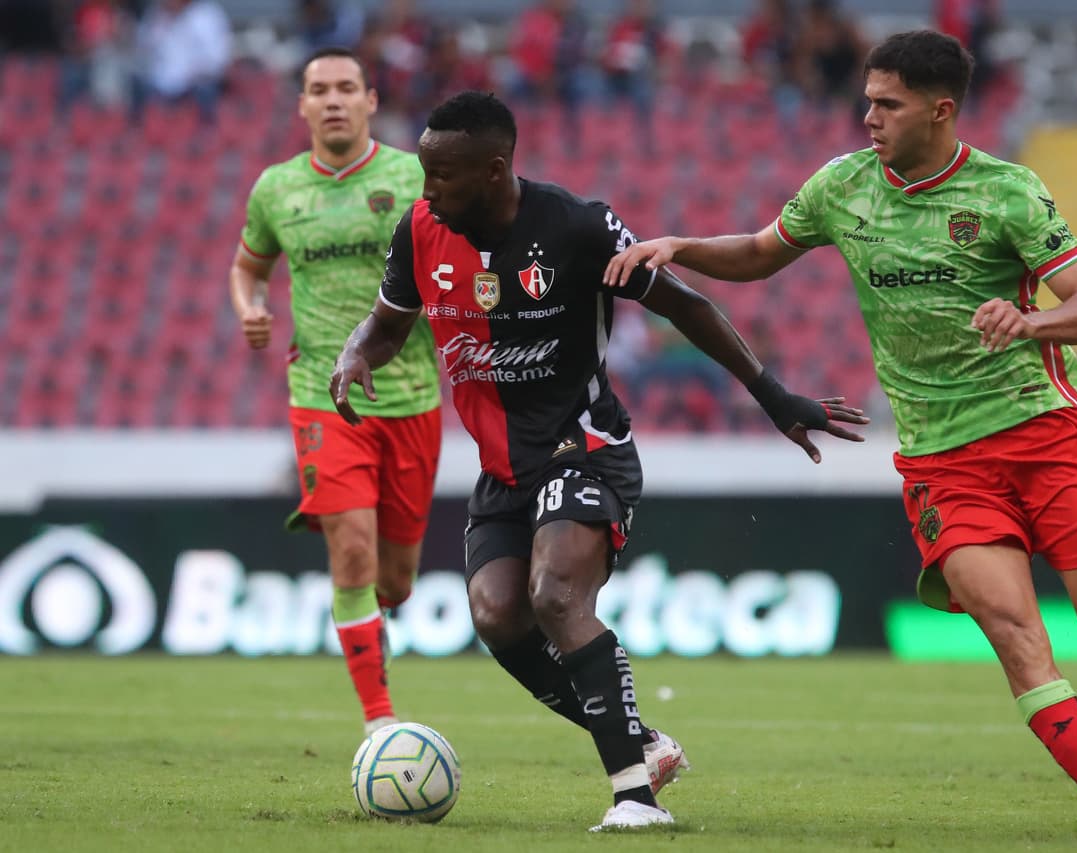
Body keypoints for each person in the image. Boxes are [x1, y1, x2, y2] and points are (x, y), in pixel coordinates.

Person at [604, 29, 1077, 842]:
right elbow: (761, 252)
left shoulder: (1008, 192)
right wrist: (679, 248)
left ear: (940, 110)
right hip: (941, 460)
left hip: (1041, 433)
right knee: (1015, 634)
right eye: (868, 99)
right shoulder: (843, 185)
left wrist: (1027, 321)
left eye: (888, 103)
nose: (867, 115)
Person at [328, 91, 869, 831]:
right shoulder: (421, 230)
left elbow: (686, 305)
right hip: (504, 471)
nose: (428, 191)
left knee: (555, 597)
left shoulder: (577, 227)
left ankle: (636, 798)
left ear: (493, 170)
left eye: (442, 176)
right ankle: (641, 742)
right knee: (497, 616)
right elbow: (388, 324)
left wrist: (771, 395)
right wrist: (356, 354)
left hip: (584, 449)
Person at [228, 47, 442, 736]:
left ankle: (371, 620)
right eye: (318, 89)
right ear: (302, 105)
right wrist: (250, 305)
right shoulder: (276, 189)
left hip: (411, 395)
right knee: (350, 550)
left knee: (397, 577)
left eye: (347, 87)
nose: (333, 100)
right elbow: (247, 265)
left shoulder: (416, 176)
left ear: (371, 100)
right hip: (323, 392)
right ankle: (380, 724)